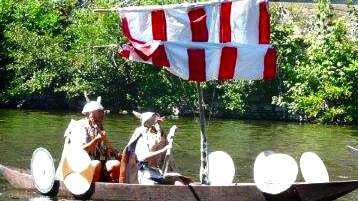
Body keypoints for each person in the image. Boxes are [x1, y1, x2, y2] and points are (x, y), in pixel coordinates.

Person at [56, 95, 120, 182]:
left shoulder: (99, 127)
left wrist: (115, 153)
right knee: (96, 165)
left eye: (102, 112)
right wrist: (97, 139)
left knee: (115, 165)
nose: (102, 115)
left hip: (97, 164)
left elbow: (106, 151)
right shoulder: (80, 126)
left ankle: (111, 188)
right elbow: (81, 151)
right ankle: (91, 190)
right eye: (98, 112)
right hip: (78, 167)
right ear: (88, 114)